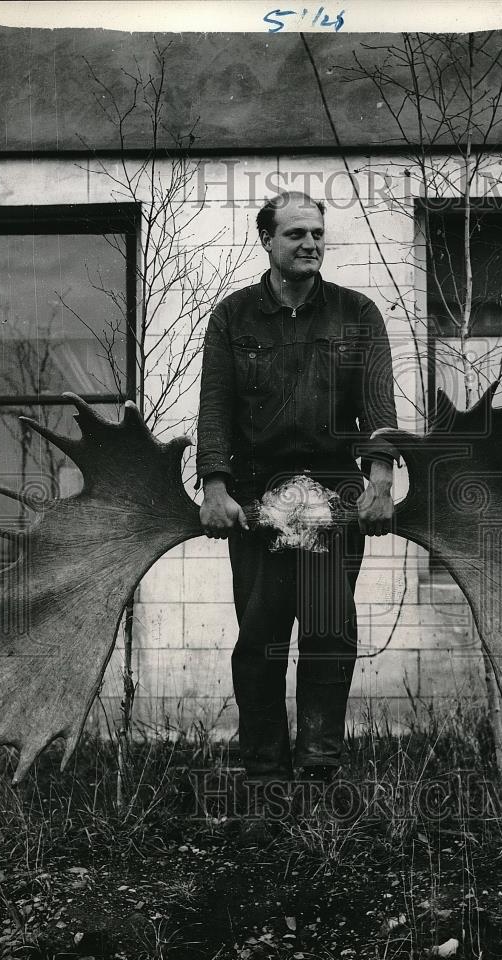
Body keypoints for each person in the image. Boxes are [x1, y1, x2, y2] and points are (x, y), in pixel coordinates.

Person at [195, 190, 399, 797]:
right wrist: (215, 485)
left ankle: (317, 769)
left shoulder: (356, 314)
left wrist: (382, 479)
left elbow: (379, 405)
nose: (310, 244)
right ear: (267, 241)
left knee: (328, 632)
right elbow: (216, 408)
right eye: (295, 235)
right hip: (257, 502)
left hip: (335, 498)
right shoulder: (233, 318)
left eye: (316, 233)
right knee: (259, 638)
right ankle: (263, 772)